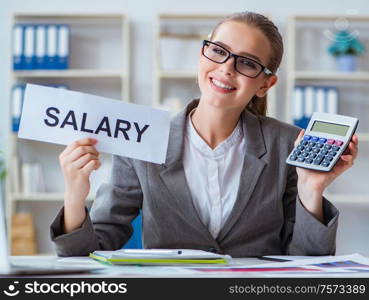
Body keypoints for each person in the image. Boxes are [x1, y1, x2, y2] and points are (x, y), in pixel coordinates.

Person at [50, 11, 359, 257]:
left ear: (265, 84)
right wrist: (75, 194)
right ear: (202, 55)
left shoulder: (288, 145)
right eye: (218, 51)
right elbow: (88, 252)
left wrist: (310, 190)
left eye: (247, 63)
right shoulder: (143, 137)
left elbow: (310, 262)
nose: (226, 68)